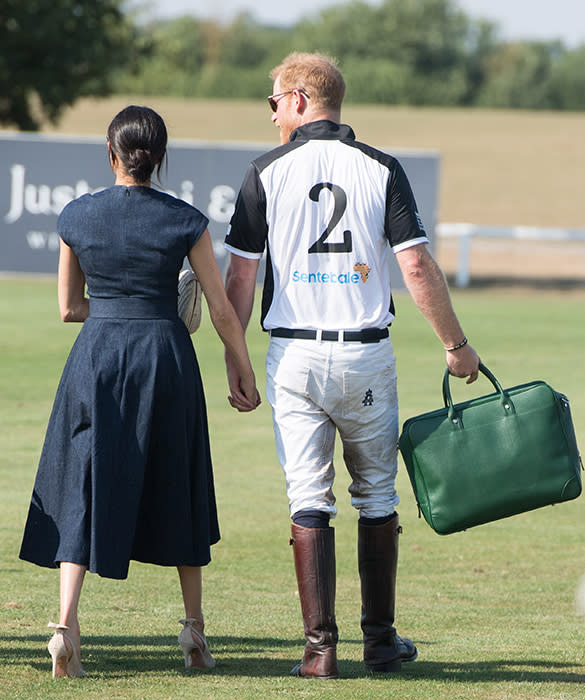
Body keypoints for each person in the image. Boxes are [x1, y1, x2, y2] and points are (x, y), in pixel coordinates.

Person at [223, 52, 480, 679]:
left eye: (274, 102)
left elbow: (239, 274)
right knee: (376, 496)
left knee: (308, 497)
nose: (272, 114)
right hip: (366, 353)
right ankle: (380, 641)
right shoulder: (382, 168)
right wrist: (455, 343)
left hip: (294, 355)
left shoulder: (265, 171)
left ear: (301, 99)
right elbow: (416, 266)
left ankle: (318, 652)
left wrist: (236, 358)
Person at [19, 105, 260, 678]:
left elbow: (68, 308)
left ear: (112, 152)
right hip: (165, 356)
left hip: (97, 355)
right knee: (180, 480)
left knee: (82, 478)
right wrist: (241, 364)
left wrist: (112, 308)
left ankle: (65, 627)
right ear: (160, 157)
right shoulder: (186, 220)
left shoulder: (77, 215)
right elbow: (222, 309)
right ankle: (194, 631)